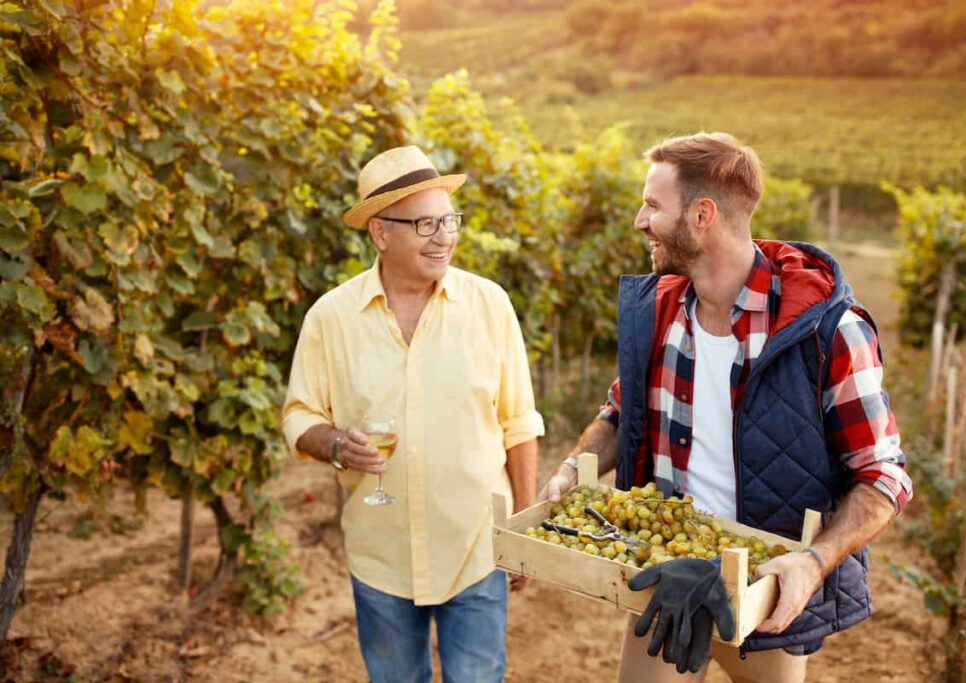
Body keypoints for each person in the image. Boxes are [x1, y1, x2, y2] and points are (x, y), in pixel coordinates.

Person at [539, 132, 913, 682]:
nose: (641, 221)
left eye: (652, 205)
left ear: (702, 215)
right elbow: (621, 414)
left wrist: (811, 564)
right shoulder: (660, 312)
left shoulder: (829, 332)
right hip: (665, 579)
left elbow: (883, 478)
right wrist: (574, 467)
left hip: (764, 600)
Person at [282, 145, 544, 683]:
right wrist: (333, 443)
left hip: (474, 548)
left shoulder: (489, 306)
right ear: (381, 232)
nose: (445, 236)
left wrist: (523, 530)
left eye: (450, 219)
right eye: (427, 223)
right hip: (381, 555)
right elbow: (299, 415)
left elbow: (518, 423)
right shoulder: (331, 318)